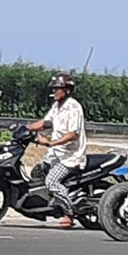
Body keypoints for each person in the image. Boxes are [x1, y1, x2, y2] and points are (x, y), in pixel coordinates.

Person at [26, 73, 86, 228]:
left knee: (51, 181)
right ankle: (48, 206)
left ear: (67, 90)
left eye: (57, 88)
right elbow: (46, 123)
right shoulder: (56, 106)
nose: (54, 91)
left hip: (70, 156)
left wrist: (52, 143)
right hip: (56, 154)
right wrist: (26, 128)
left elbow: (72, 134)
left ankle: (69, 214)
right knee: (37, 173)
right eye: (54, 88)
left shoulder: (74, 108)